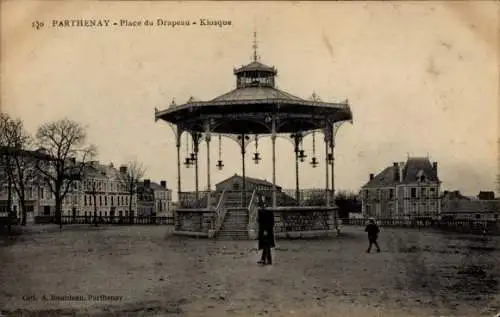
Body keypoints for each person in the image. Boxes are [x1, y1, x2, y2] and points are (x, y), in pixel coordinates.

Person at [257, 194, 275, 265]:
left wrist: (266, 230)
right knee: (266, 246)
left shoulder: (266, 212)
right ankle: (264, 259)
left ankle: (268, 260)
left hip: (266, 231)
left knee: (266, 246)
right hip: (266, 230)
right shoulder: (267, 211)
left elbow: (268, 222)